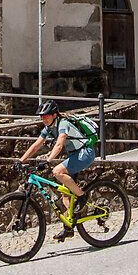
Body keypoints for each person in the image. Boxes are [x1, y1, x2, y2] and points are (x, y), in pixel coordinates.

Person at [19, 101, 96, 240]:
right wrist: (20, 160)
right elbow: (36, 145)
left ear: (55, 115)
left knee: (57, 171)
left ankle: (82, 196)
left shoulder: (63, 123)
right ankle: (69, 227)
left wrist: (48, 161)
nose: (43, 119)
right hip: (74, 155)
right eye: (41, 116)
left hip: (85, 153)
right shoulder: (48, 127)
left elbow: (60, 144)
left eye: (46, 116)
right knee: (65, 194)